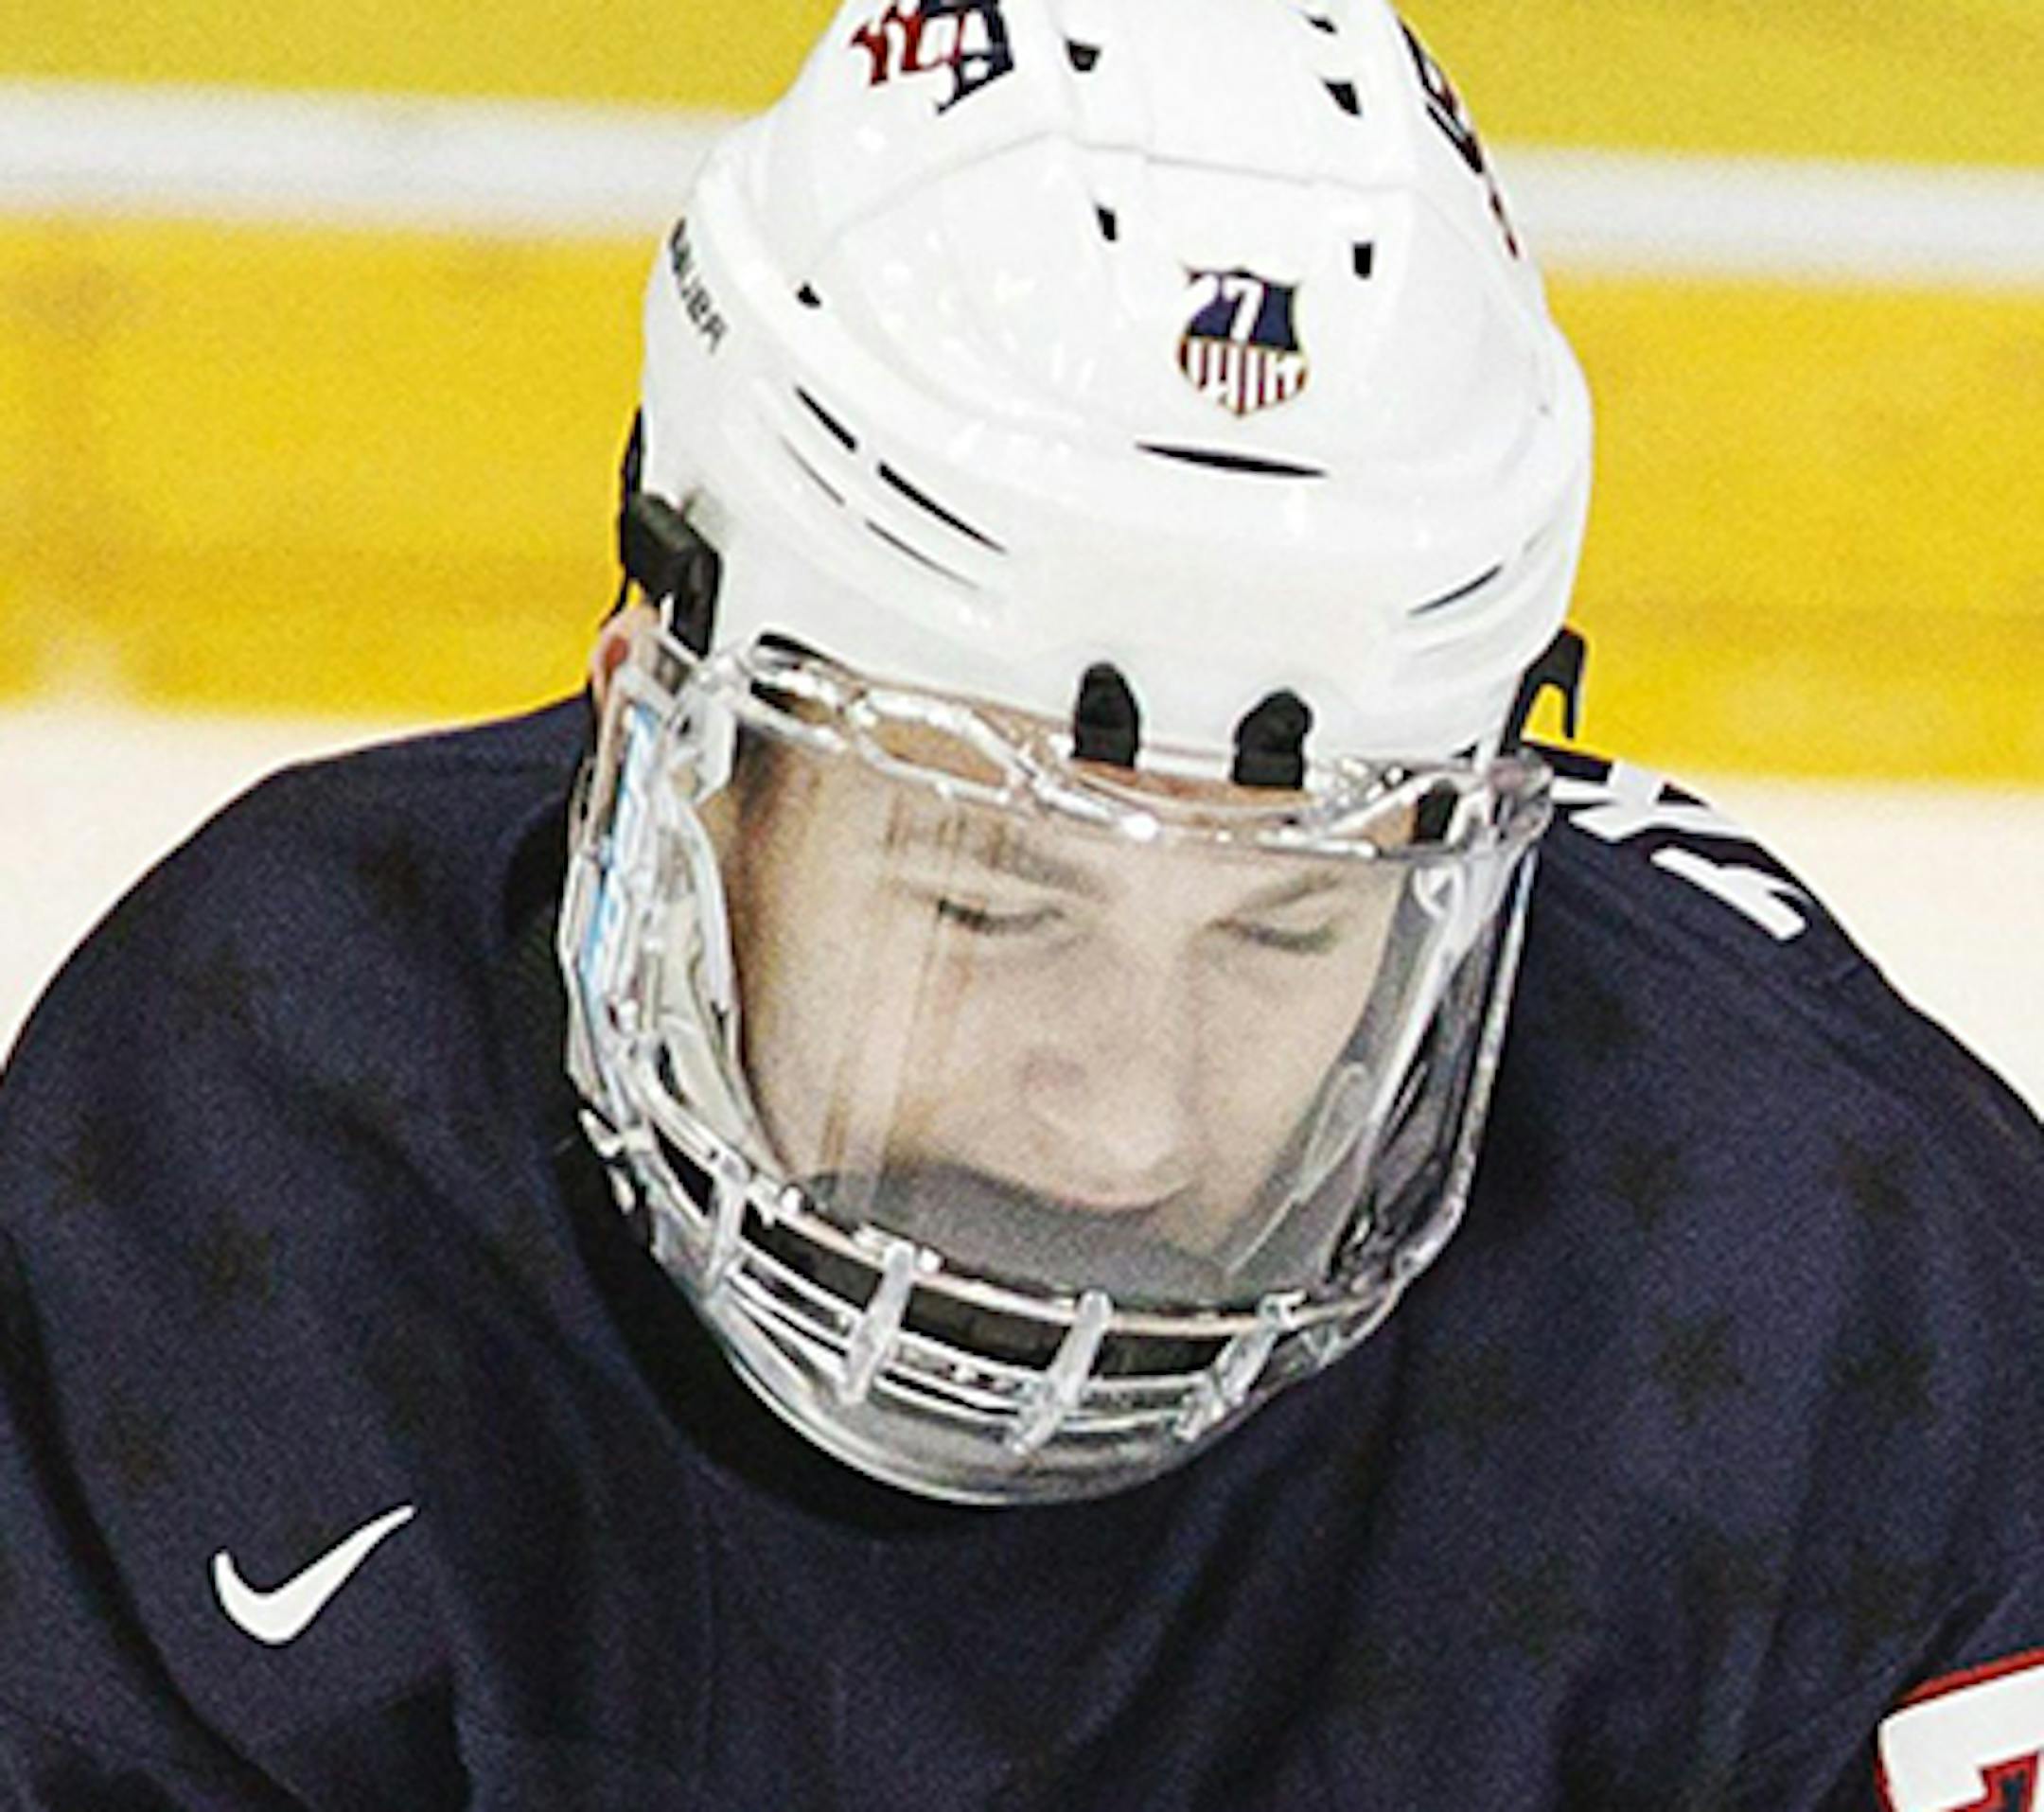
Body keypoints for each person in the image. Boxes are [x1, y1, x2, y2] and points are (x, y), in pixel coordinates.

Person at [1, 0, 2039, 1804]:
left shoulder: (1834, 1322)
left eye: (1290, 927)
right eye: (986, 901)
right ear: (670, 770)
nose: (1127, 1125)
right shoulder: (241, 1198)